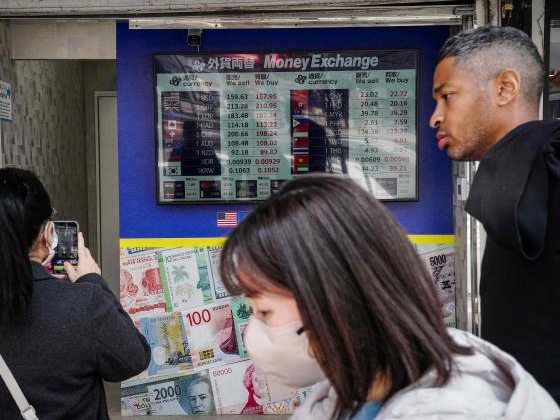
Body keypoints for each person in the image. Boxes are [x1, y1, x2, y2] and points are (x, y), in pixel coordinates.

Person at [218, 174, 560, 419]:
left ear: (333, 300)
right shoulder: (354, 389)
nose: (253, 332)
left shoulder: (453, 409)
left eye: (263, 311)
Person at [0, 167, 151, 419]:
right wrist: (92, 280)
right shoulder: (85, 304)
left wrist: (42, 283)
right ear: (47, 233)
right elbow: (134, 359)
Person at [430, 25, 560, 402]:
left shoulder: (547, 165)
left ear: (505, 87)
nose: (435, 118)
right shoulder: (514, 176)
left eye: (447, 97)